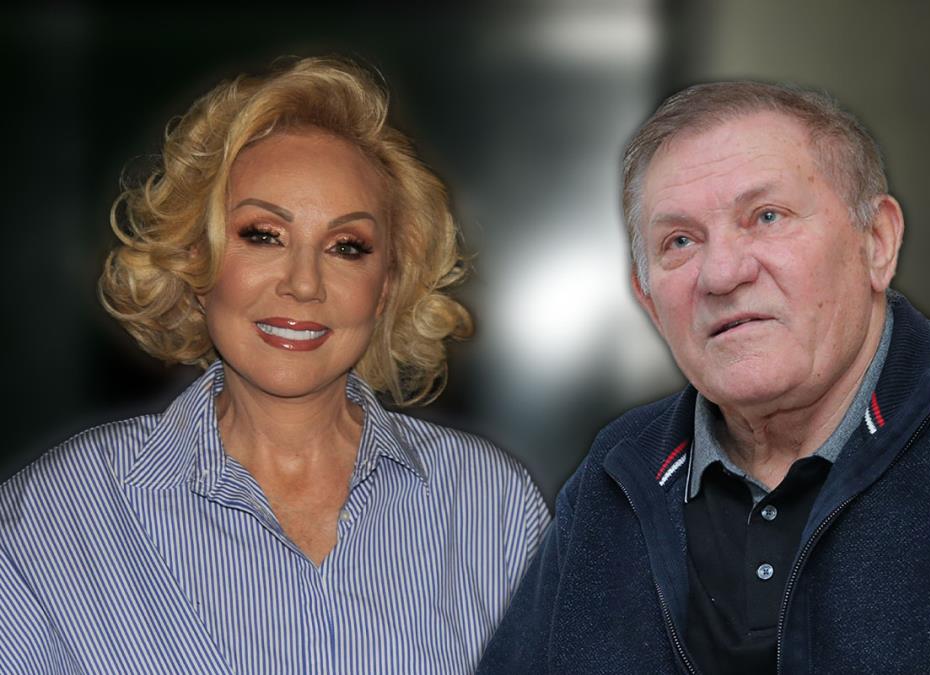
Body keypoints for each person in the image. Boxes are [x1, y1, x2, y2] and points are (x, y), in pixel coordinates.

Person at [0, 57, 548, 673]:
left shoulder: (490, 504)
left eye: (347, 247)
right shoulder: (56, 515)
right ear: (195, 261)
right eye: (263, 235)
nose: (304, 283)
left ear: (387, 287)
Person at [479, 81, 930, 673]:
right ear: (649, 301)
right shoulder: (615, 474)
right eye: (680, 241)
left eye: (766, 217)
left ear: (877, 243)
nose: (722, 274)